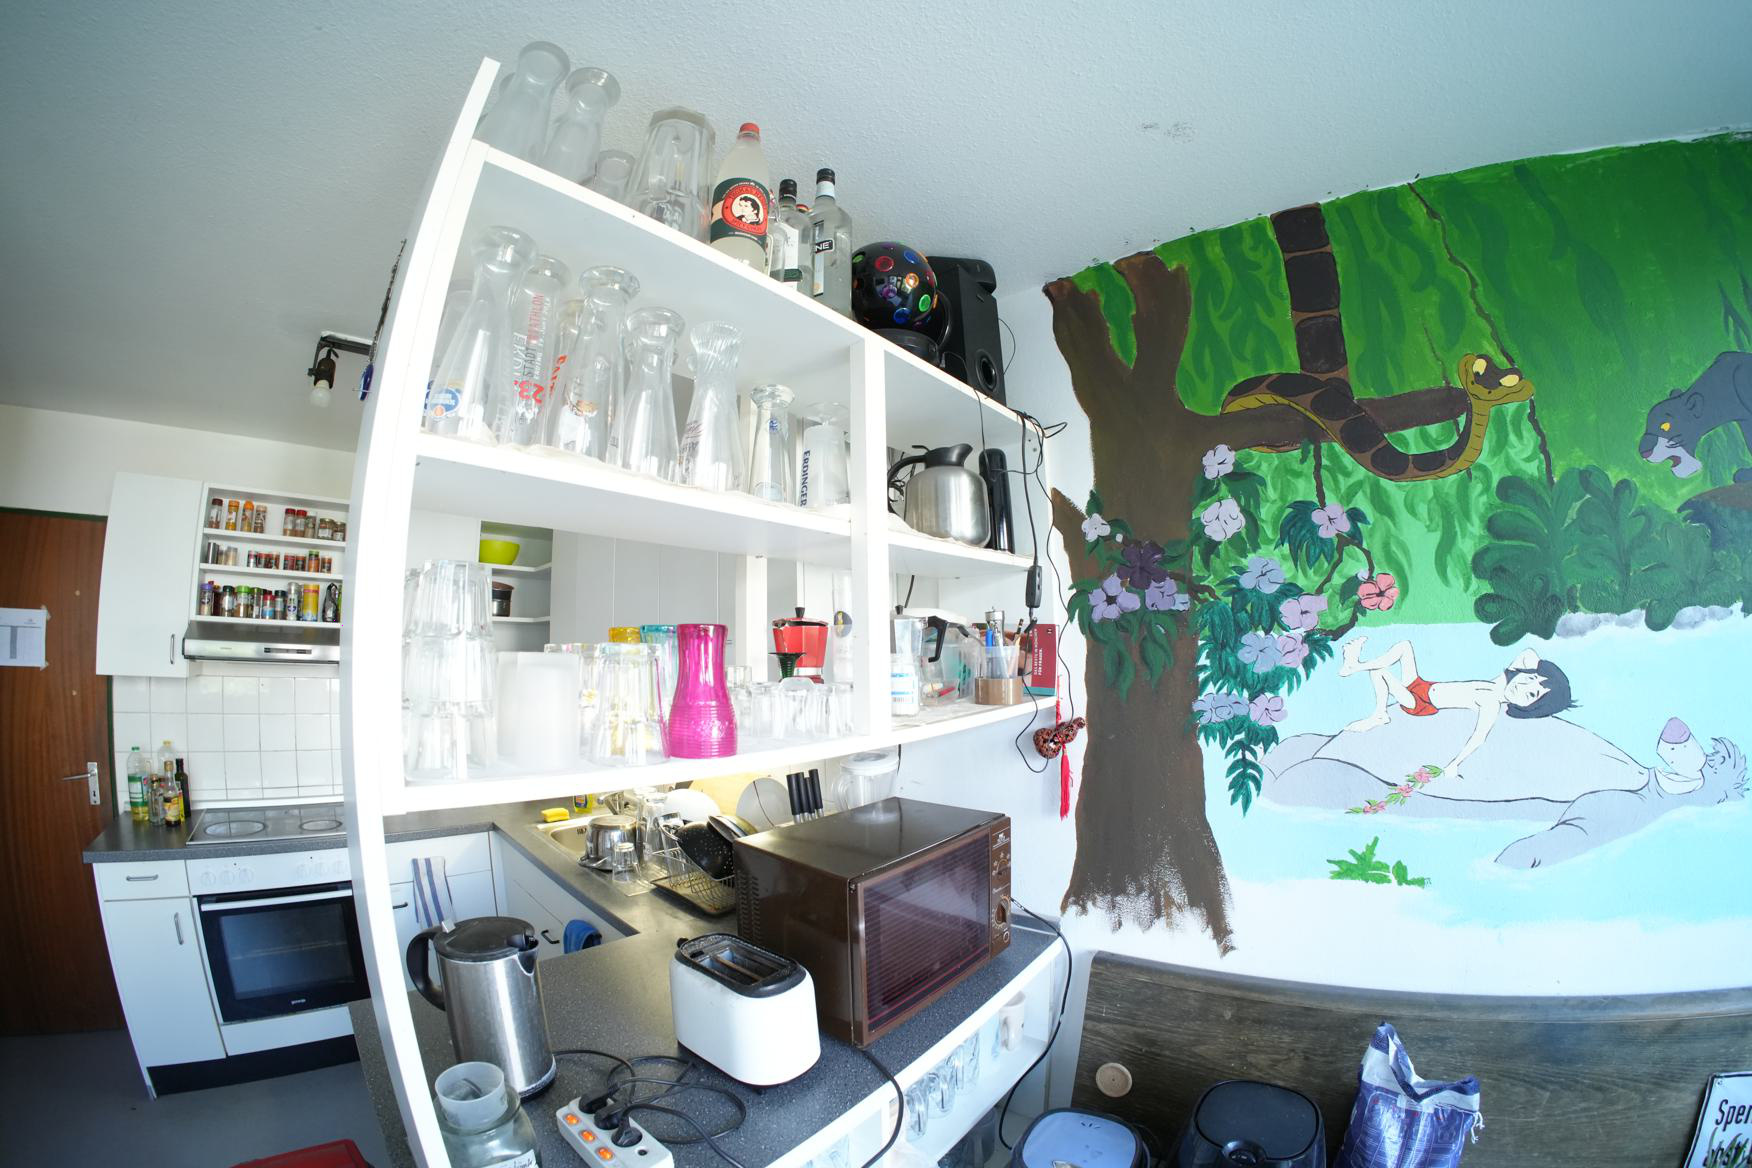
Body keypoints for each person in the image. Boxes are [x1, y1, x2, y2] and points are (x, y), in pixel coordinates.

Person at [1337, 638, 1574, 779]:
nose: (1524, 686)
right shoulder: (1504, 679)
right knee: (1404, 646)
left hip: (1421, 703)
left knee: (1380, 673)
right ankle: (1354, 665)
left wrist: (1454, 764)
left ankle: (1378, 711)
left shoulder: (1491, 704)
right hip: (1422, 685)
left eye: (1531, 695)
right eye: (1531, 679)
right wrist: (1543, 673)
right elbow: (1528, 654)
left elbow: (1478, 738)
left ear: (1530, 708)